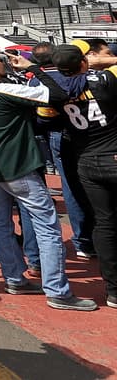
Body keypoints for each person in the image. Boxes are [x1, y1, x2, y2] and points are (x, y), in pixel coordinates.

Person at [0, 47, 96, 311]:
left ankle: (13, 278)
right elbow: (58, 94)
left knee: (1, 225)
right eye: (0, 60)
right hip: (19, 165)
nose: (5, 63)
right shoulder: (8, 90)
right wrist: (31, 68)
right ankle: (57, 290)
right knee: (47, 226)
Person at [40, 44, 117, 308]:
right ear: (84, 62)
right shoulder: (104, 79)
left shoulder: (54, 94)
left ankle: (114, 289)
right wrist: (102, 61)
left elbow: (46, 122)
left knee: (104, 223)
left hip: (86, 159)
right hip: (113, 153)